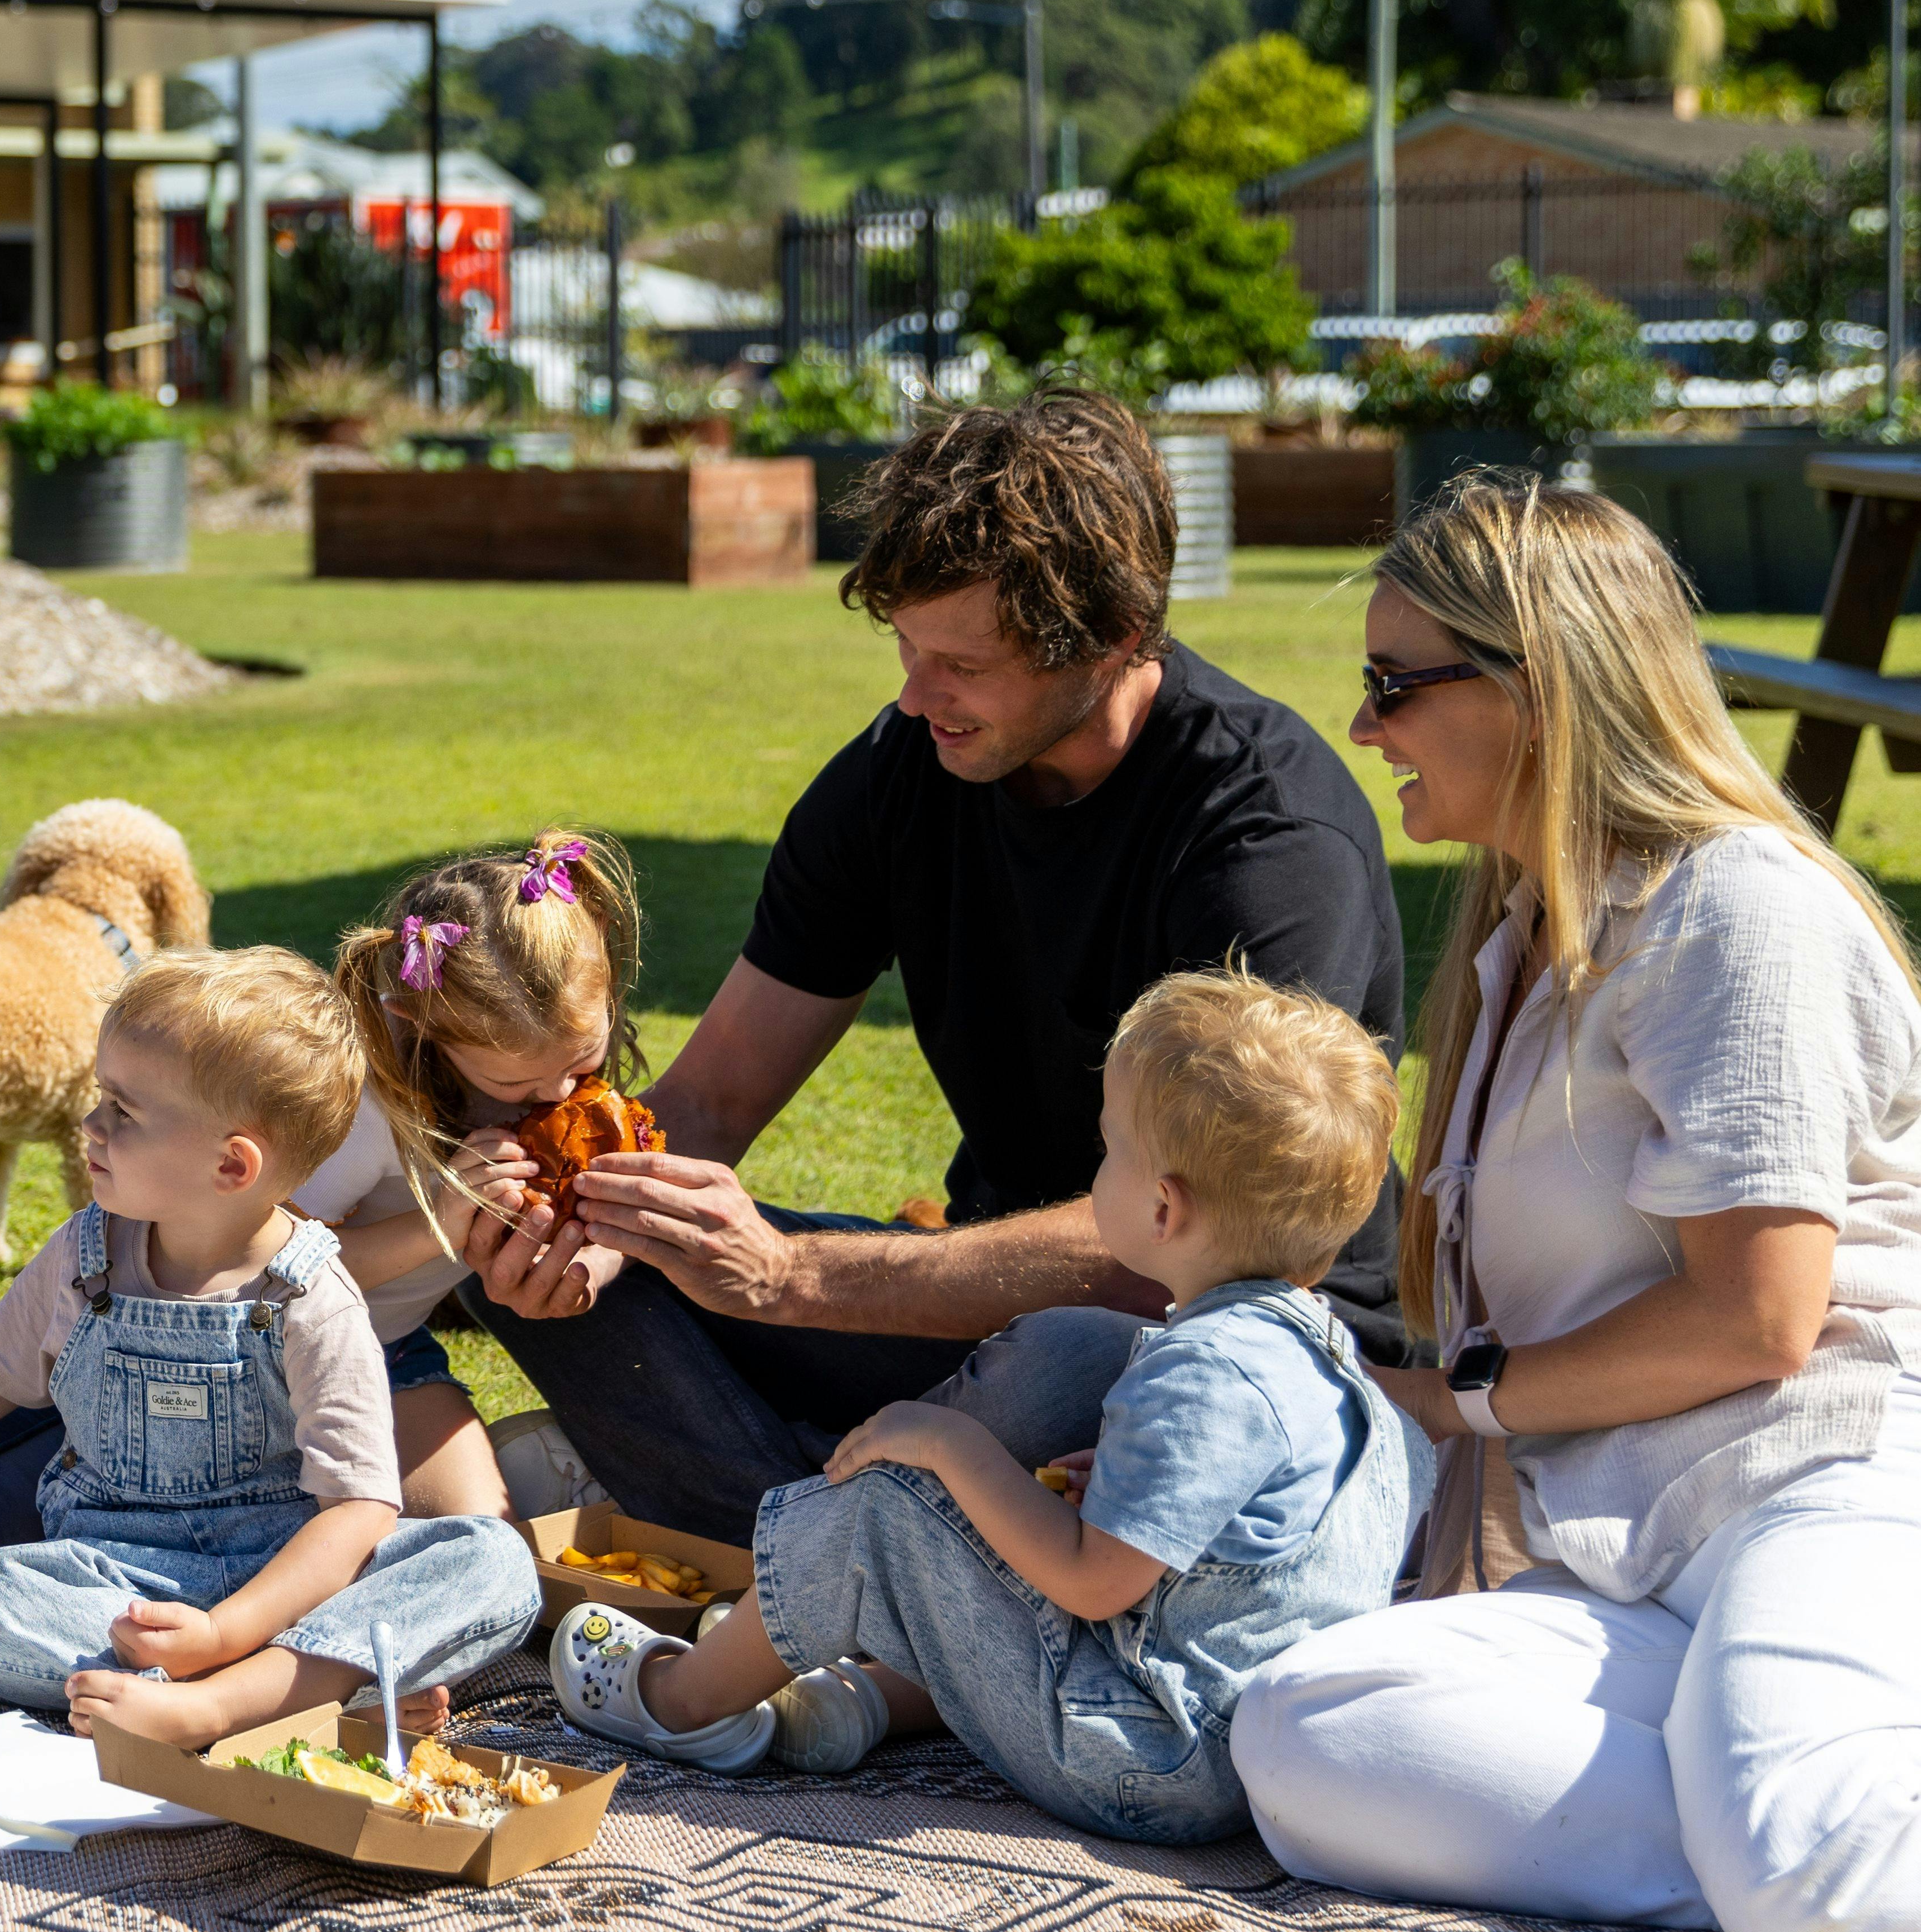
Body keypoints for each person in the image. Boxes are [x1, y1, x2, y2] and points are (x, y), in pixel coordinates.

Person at [471, 388, 1406, 1540]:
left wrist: (787, 1279)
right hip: (971, 1306)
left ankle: (789, 1526)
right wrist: (564, 1216)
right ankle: (845, 1538)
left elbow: (1189, 1241)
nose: (915, 697)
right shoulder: (900, 773)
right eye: (905, 648)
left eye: (961, 662)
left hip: (1217, 1339)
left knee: (1052, 1360)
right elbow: (709, 1098)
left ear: (1114, 635)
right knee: (543, 1252)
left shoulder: (1263, 839)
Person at [1234, 477, 1921, 1932]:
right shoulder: (1531, 936)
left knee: (1812, 1879)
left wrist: (1454, 1396)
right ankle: (1776, 1821)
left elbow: (1757, 1321)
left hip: (1820, 1482)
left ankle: (1789, 1845)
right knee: (1301, 1734)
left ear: (1537, 683)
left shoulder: (1729, 913)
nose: (1364, 725)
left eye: (1393, 683)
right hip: (1633, 1544)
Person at [552, 966, 1415, 1841]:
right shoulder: (1321, 1359)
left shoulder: (1203, 1373)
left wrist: (947, 1441)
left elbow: (1091, 1583)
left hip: (1148, 1761)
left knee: (881, 1516)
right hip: (1249, 1743)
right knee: (995, 1538)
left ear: (1163, 1208)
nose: (1098, 1166)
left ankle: (683, 1700)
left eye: (1110, 1149)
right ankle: (862, 1704)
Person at [0, 946, 537, 1748]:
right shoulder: (84, 1256)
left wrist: (228, 1629)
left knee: (490, 1561)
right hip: (118, 1580)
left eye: (123, 1112)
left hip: (288, 1580)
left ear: (231, 1163)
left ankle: (217, 1700)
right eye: (102, 1098)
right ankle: (312, 1691)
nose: (90, 1126)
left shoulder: (312, 1294)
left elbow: (357, 1511)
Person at [298, 831, 649, 1517]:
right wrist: (441, 1220)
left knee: (485, 1545)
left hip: (386, 1355)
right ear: (421, 1021)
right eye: (514, 1081)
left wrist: (597, 1255)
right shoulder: (368, 1101)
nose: (556, 1095)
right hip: (252, 1360)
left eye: (580, 1063)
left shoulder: (553, 1063)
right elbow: (261, 1266)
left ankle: (515, 1468)